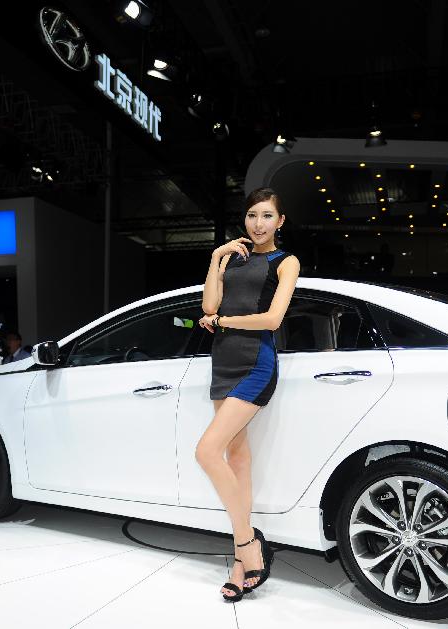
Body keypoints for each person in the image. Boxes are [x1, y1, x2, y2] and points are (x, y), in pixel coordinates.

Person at [196, 187, 300, 602]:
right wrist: (215, 259)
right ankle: (242, 562)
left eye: (267, 216)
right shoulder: (233, 259)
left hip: (256, 363)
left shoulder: (285, 261)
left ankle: (247, 546)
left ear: (280, 221)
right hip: (222, 363)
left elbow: (273, 318)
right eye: (253, 215)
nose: (259, 223)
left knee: (207, 452)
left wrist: (222, 320)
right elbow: (207, 304)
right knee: (236, 458)